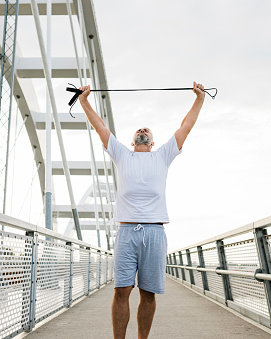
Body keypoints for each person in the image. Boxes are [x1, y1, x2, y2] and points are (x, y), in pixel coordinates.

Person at [78, 82, 205, 339]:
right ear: (133, 140)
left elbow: (185, 127)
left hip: (155, 232)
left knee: (148, 293)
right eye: (139, 130)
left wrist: (199, 99)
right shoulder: (122, 154)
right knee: (121, 291)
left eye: (146, 130)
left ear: (153, 141)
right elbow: (100, 127)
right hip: (126, 232)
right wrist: (84, 102)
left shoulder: (162, 155)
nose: (142, 131)